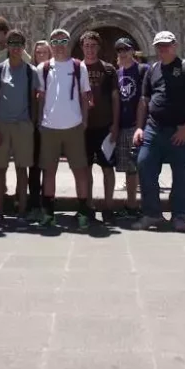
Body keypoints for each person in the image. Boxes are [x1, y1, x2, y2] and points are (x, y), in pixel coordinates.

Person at [133, 31, 185, 231]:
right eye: (159, 46)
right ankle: (152, 213)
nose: (163, 49)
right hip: (154, 129)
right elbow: (144, 100)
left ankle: (179, 215)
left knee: (180, 173)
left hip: (178, 130)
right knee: (144, 164)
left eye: (166, 45)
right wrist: (139, 127)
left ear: (175, 45)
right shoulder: (152, 69)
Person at [37, 28, 91, 228]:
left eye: (63, 41)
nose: (59, 46)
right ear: (50, 45)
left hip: (74, 125)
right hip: (50, 126)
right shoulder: (42, 68)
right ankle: (48, 212)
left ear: (68, 44)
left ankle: (83, 210)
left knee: (80, 170)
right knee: (49, 171)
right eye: (55, 42)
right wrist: (40, 121)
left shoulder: (79, 67)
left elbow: (85, 96)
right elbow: (40, 97)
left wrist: (84, 121)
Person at [0, 29, 39, 229]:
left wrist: (31, 124)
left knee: (22, 169)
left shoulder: (30, 71)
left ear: (23, 46)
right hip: (1, 125)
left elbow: (35, 101)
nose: (16, 48)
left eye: (19, 44)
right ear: (7, 46)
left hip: (23, 125)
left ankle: (21, 212)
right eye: (12, 44)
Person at [81, 30, 120, 224]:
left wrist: (115, 124)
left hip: (104, 125)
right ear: (82, 48)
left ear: (98, 47)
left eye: (93, 45)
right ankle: (88, 205)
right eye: (86, 45)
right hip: (84, 127)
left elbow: (115, 98)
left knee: (107, 167)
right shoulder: (76, 68)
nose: (90, 49)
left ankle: (108, 206)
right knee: (86, 168)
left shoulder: (108, 69)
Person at [114, 37, 148, 216]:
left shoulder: (143, 70)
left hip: (138, 125)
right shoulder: (118, 73)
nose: (123, 53)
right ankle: (132, 205)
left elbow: (145, 98)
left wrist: (141, 125)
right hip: (123, 125)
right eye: (119, 50)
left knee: (142, 167)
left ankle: (147, 206)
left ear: (132, 50)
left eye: (126, 49)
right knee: (129, 168)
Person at [28, 40, 53, 218]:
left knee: (48, 167)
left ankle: (47, 203)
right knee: (34, 166)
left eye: (45, 52)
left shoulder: (52, 72)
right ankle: (34, 204)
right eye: (38, 53)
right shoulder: (30, 73)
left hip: (50, 125)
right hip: (33, 126)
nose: (41, 56)